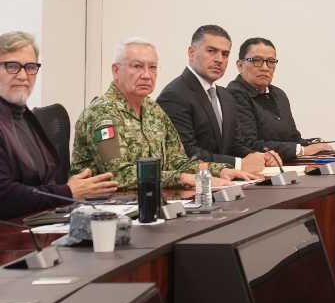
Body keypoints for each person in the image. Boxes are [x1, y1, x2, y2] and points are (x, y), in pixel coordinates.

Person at [72, 37, 258, 191]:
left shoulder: (154, 110)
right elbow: (118, 175)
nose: (146, 75)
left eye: (152, 68)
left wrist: (218, 170)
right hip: (106, 210)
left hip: (154, 201)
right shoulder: (102, 113)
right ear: (116, 70)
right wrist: (184, 178)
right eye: (137, 66)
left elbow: (177, 161)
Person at [0, 32, 118, 218]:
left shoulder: (23, 115)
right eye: (12, 66)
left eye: (30, 67)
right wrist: (67, 192)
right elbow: (4, 196)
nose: (23, 75)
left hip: (41, 221)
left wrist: (72, 187)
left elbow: (42, 182)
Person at [158, 25, 277, 173]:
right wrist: (238, 163)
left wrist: (259, 156)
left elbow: (234, 144)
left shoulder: (225, 95)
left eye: (225, 54)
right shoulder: (174, 95)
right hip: (198, 187)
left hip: (229, 183)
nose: (219, 59)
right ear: (191, 52)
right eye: (211, 51)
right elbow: (186, 153)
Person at [228, 38, 329, 161]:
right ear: (240, 65)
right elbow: (248, 144)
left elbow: (293, 139)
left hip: (289, 165)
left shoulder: (279, 94)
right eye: (257, 61)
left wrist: (314, 144)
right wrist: (301, 150)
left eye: (271, 61)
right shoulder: (234, 94)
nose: (265, 67)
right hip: (260, 169)